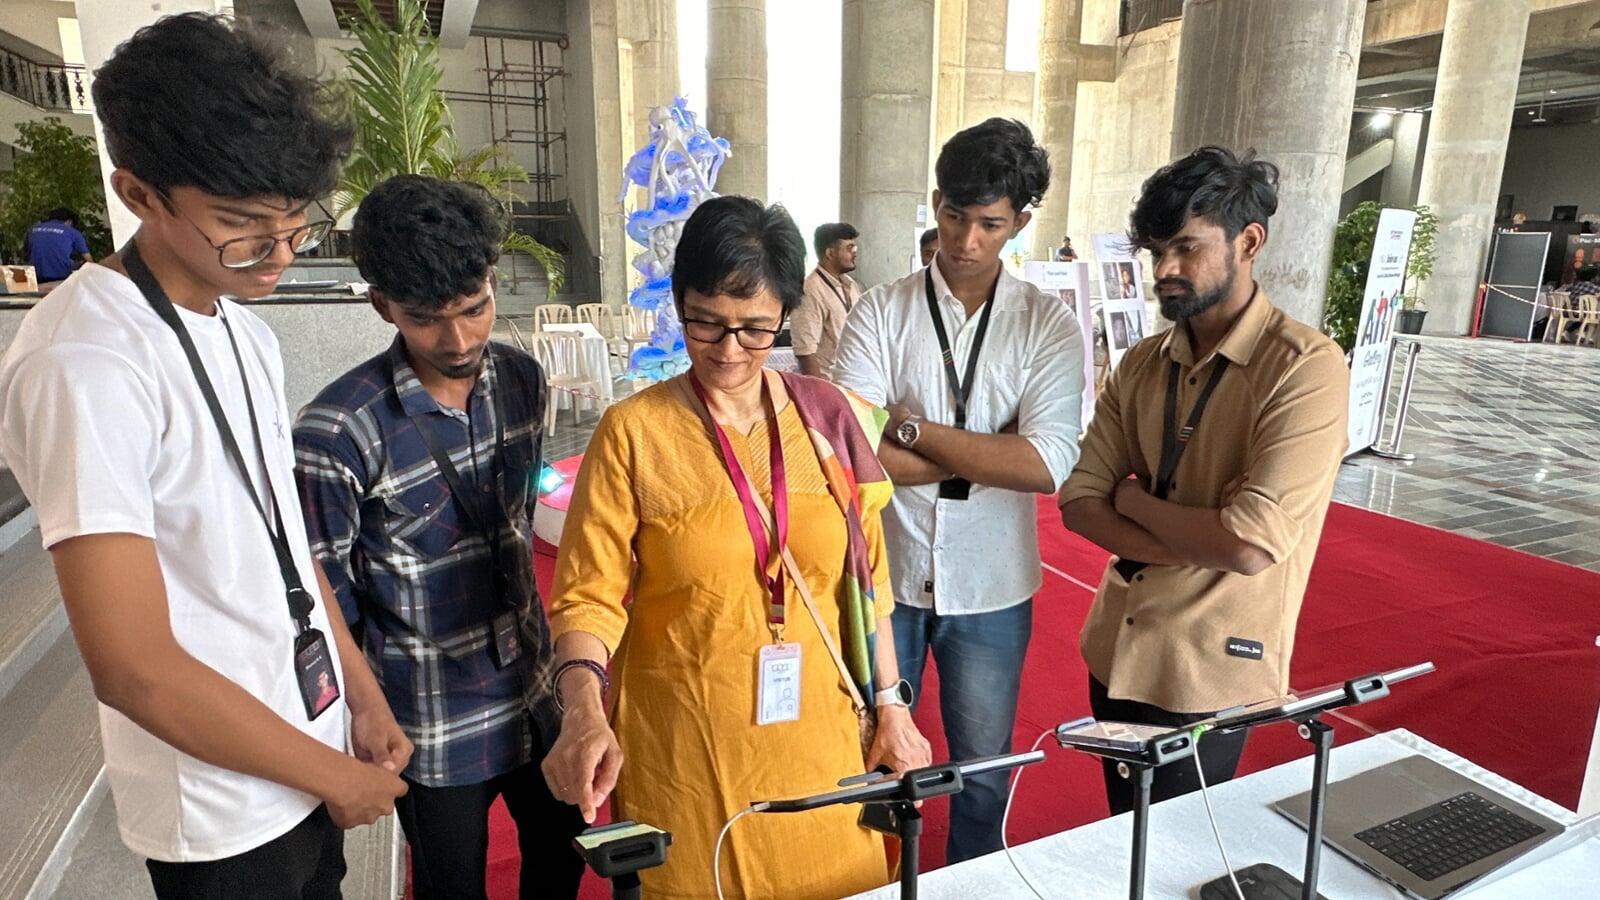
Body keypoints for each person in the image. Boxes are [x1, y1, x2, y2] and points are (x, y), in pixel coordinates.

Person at [0, 14, 409, 899]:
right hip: (219, 809)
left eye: (296, 225)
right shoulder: (85, 361)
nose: (279, 254)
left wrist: (359, 692)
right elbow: (133, 667)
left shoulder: (244, 330)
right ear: (139, 193)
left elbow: (283, 542)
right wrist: (331, 775)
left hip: (305, 748)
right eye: (242, 225)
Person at [540, 195, 932, 898]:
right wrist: (583, 710)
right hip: (687, 747)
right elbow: (586, 597)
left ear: (784, 313)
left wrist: (892, 706)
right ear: (679, 303)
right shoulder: (634, 432)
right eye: (706, 323)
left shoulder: (828, 417)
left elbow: (867, 580)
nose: (727, 351)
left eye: (754, 329)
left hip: (819, 738)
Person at [292, 175, 583, 899]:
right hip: (429, 713)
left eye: (474, 308)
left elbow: (520, 521)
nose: (458, 340)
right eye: (426, 319)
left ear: (493, 280)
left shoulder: (521, 380)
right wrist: (362, 713)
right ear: (382, 305)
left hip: (533, 688)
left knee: (562, 860)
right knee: (450, 886)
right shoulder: (338, 431)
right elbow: (325, 598)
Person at [1057, 146, 1349, 816]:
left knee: (1183, 851)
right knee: (1125, 837)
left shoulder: (1304, 367)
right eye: (1156, 252)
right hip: (1117, 648)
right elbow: (1079, 500)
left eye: (1186, 248)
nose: (1165, 270)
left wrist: (1133, 500)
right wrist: (1193, 537)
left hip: (1210, 667)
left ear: (1249, 242)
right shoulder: (1141, 364)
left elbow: (1248, 544)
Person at [832, 118, 1085, 863]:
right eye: (953, 215)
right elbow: (851, 455)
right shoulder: (881, 311)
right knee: (869, 757)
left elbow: (1046, 463)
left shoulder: (1046, 325)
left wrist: (911, 430)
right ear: (936, 203)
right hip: (886, 574)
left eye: (990, 224)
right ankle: (875, 879)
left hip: (992, 581)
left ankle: (971, 881)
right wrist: (987, 450)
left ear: (1020, 222)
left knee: (982, 769)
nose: (966, 240)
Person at [792, 222, 861, 377]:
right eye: (849, 248)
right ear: (830, 253)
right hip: (829, 382)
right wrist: (819, 390)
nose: (855, 253)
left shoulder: (851, 285)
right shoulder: (810, 289)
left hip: (852, 381)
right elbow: (805, 352)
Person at [22, 207, 93, 282]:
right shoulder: (72, 232)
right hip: (60, 277)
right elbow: (89, 260)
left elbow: (26, 254)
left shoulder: (33, 229)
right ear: (69, 221)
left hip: (34, 276)